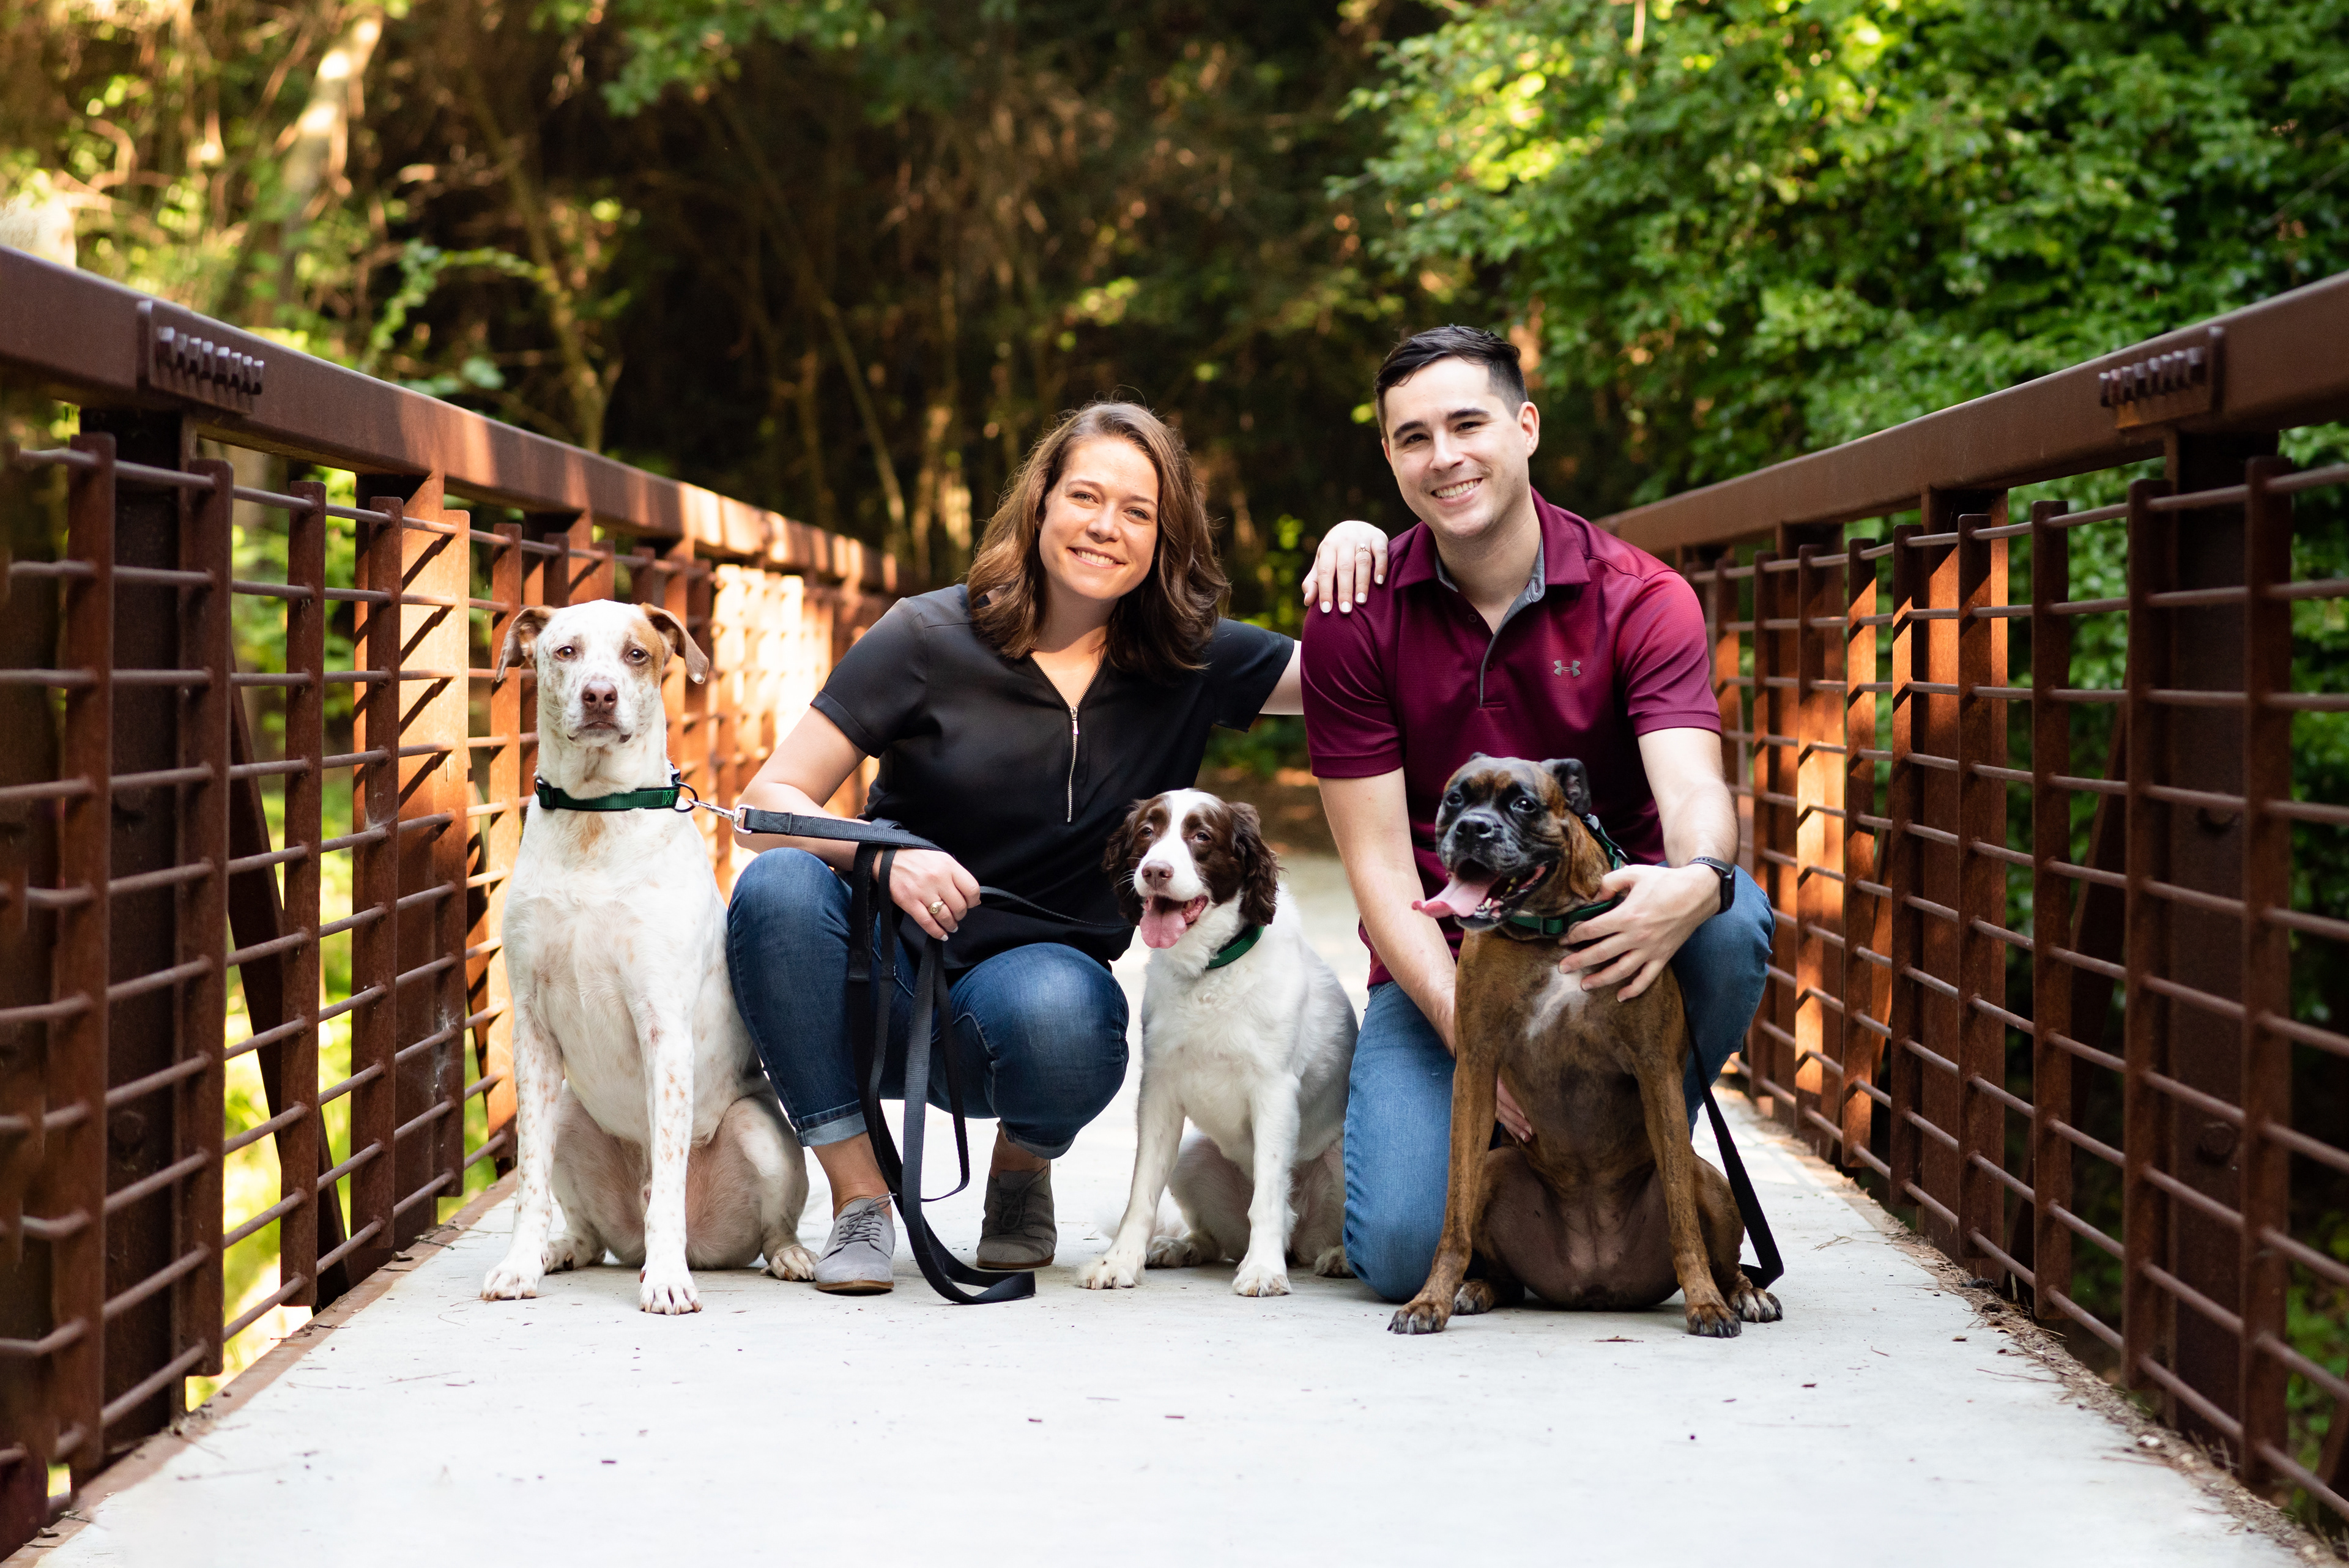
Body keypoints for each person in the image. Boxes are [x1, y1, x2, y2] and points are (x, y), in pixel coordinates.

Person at [726, 400, 1386, 1295]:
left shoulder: (1189, 658)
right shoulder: (925, 636)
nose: (1106, 526)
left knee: (1067, 1016)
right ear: (1040, 503)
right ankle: (861, 1200)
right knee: (778, 888)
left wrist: (1360, 552)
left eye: (1138, 511)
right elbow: (765, 804)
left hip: (1036, 998)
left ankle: (1018, 1174)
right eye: (1085, 497)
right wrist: (886, 854)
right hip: (882, 973)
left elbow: (1364, 676)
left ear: (1164, 538)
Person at [1299, 325, 1774, 1305]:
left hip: (1614, 941)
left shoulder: (1643, 597)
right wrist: (1475, 1040)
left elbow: (1693, 790)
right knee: (1402, 1252)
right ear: (1389, 456)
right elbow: (1383, 871)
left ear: (1525, 427)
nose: (1445, 457)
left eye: (1468, 425)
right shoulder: (1355, 614)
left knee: (1730, 918)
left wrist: (1694, 880)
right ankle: (1532, 1189)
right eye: (1414, 438)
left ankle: (1632, 1165)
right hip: (1449, 965)